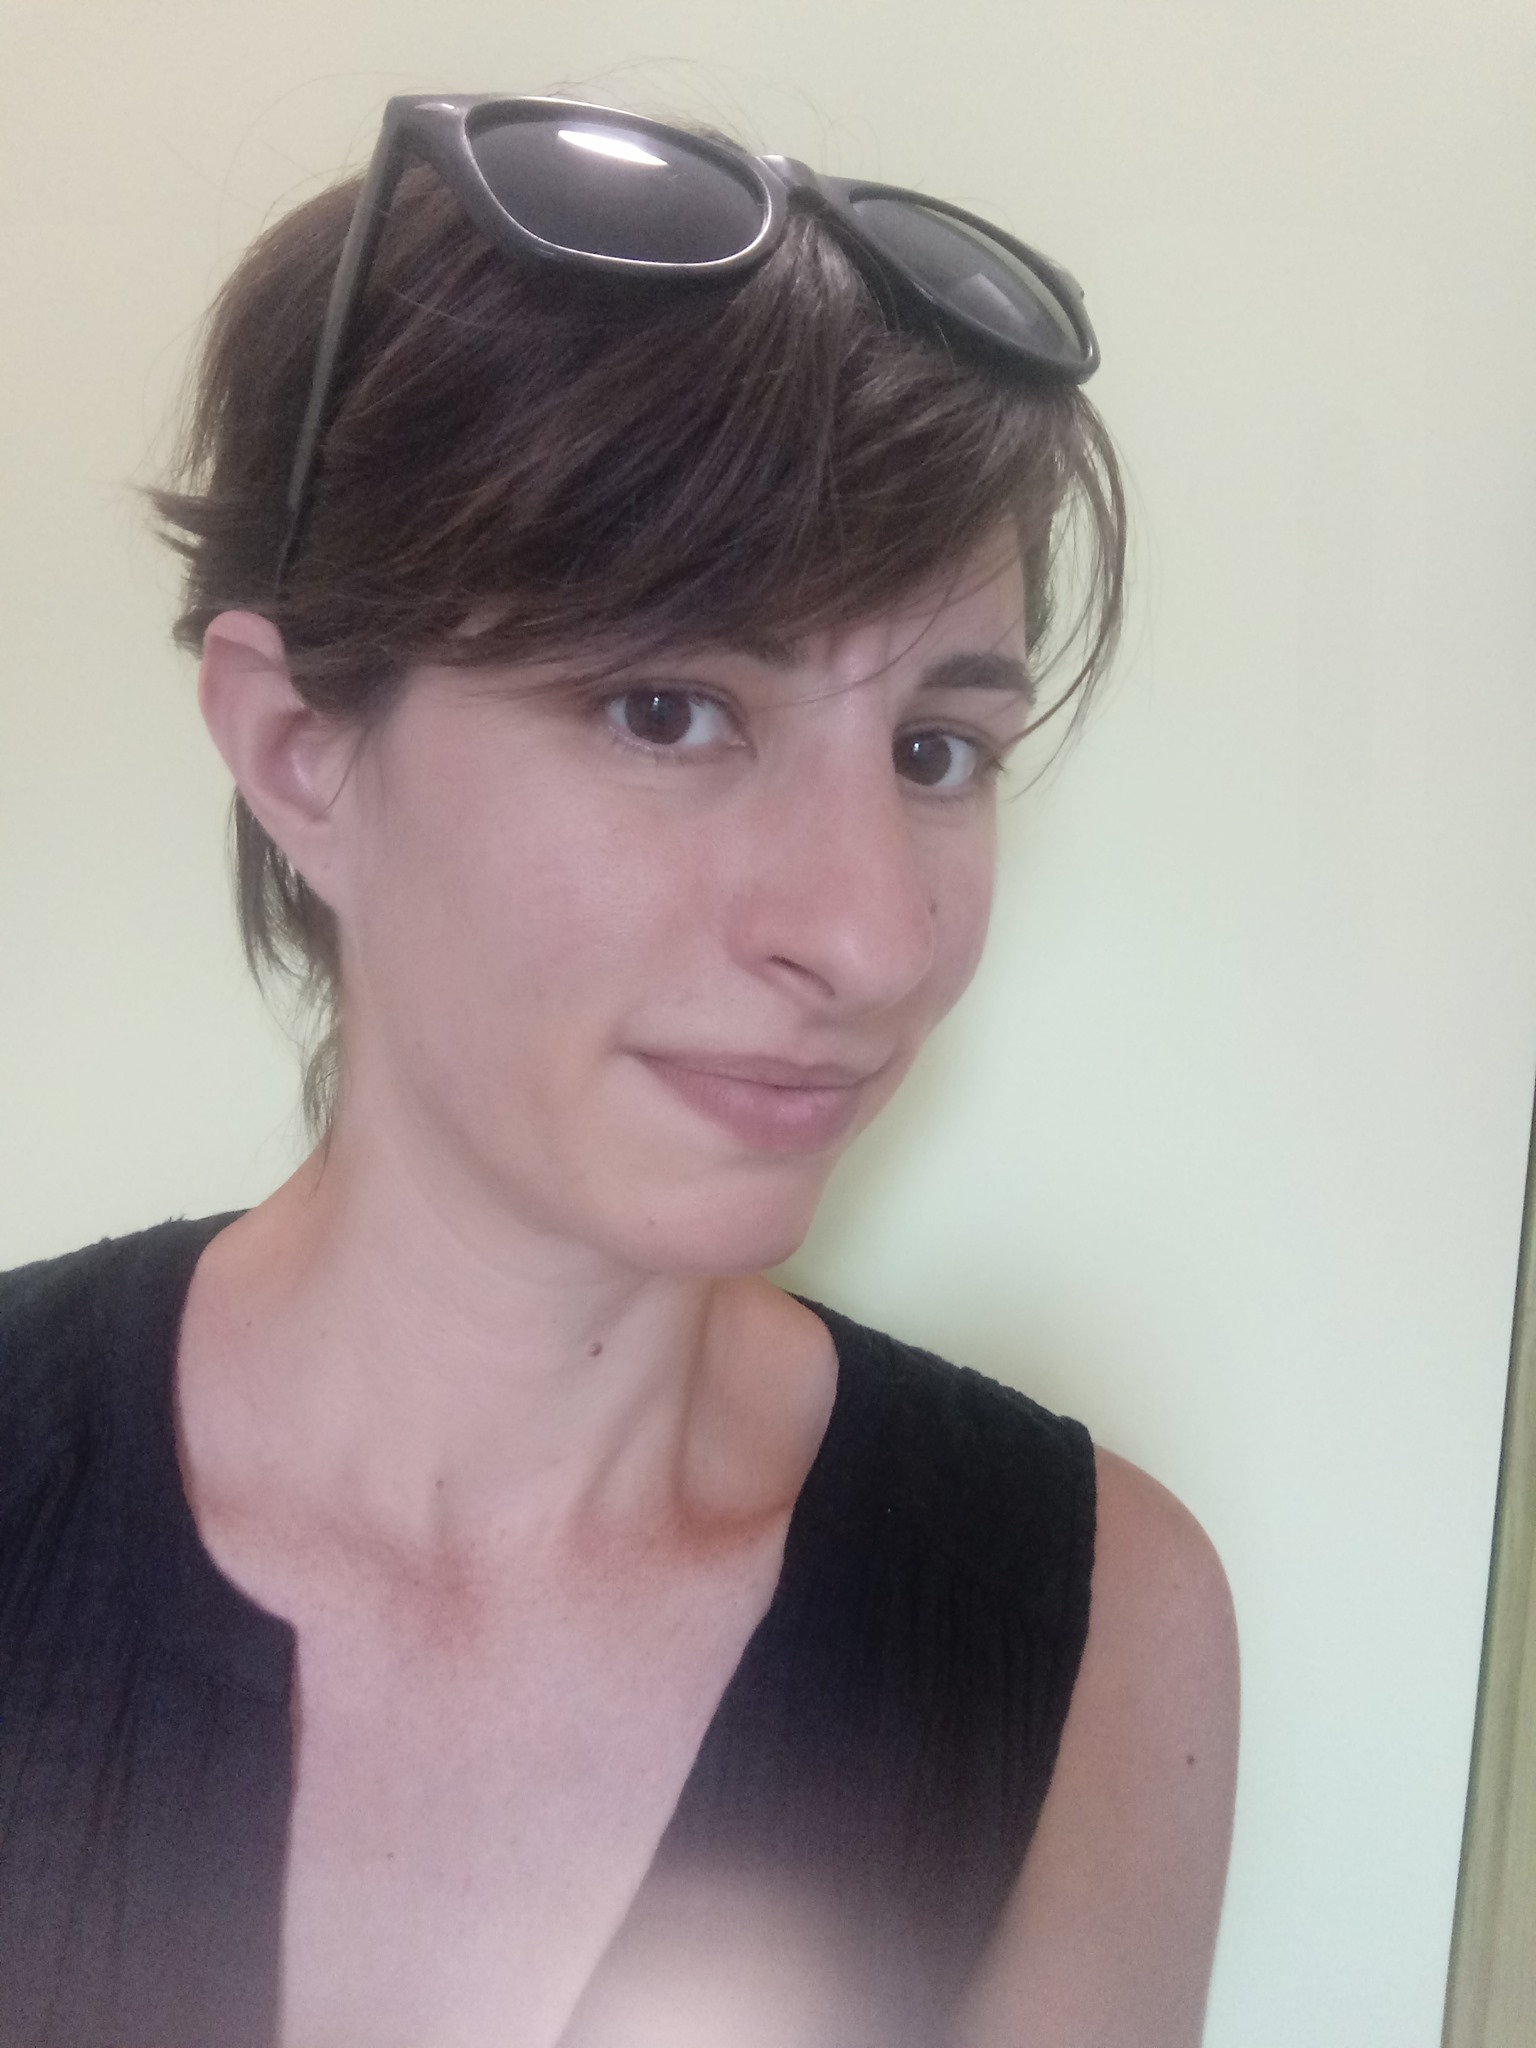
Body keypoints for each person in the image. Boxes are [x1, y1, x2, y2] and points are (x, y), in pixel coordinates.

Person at [0, 95, 1238, 2048]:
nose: (870, 936)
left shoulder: (1094, 1633)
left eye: (937, 750)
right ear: (303, 750)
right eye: (668, 709)